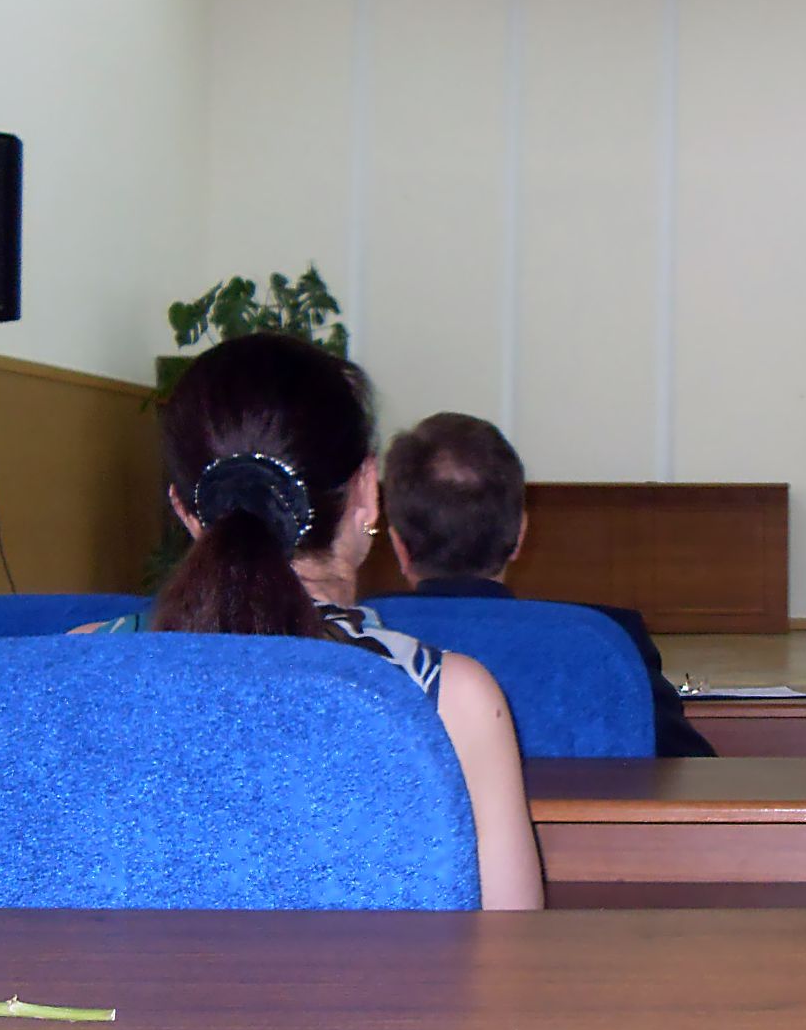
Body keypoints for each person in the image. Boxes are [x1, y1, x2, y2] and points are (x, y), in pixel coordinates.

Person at [83, 333, 544, 910]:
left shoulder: (78, 665)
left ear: (186, 510)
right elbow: (510, 949)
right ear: (368, 492)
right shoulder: (451, 700)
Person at [378, 412, 717, 760]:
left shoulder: (356, 639)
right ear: (520, 535)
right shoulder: (607, 642)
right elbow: (694, 773)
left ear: (398, 545)